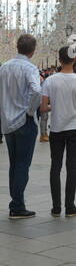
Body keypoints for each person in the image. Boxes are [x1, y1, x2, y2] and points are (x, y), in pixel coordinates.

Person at [0, 34, 41, 219]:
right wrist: (30, 111)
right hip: (24, 121)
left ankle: (16, 202)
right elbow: (36, 91)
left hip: (8, 124)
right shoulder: (30, 68)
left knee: (14, 164)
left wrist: (2, 114)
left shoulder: (4, 67)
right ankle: (17, 205)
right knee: (22, 164)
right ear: (33, 50)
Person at [41, 46, 76, 217]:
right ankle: (70, 207)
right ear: (74, 59)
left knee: (55, 166)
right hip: (74, 129)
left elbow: (43, 108)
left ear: (59, 60)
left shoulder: (50, 81)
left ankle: (56, 208)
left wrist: (55, 106)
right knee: (72, 167)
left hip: (56, 129)